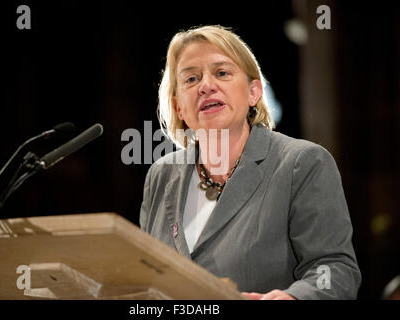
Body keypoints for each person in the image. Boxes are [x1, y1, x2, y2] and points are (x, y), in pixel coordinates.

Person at [139, 25, 361, 300]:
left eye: (221, 73)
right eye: (191, 79)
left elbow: (336, 270)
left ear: (254, 91)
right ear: (178, 107)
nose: (206, 86)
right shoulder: (161, 175)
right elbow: (146, 279)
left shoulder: (301, 163)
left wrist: (293, 298)